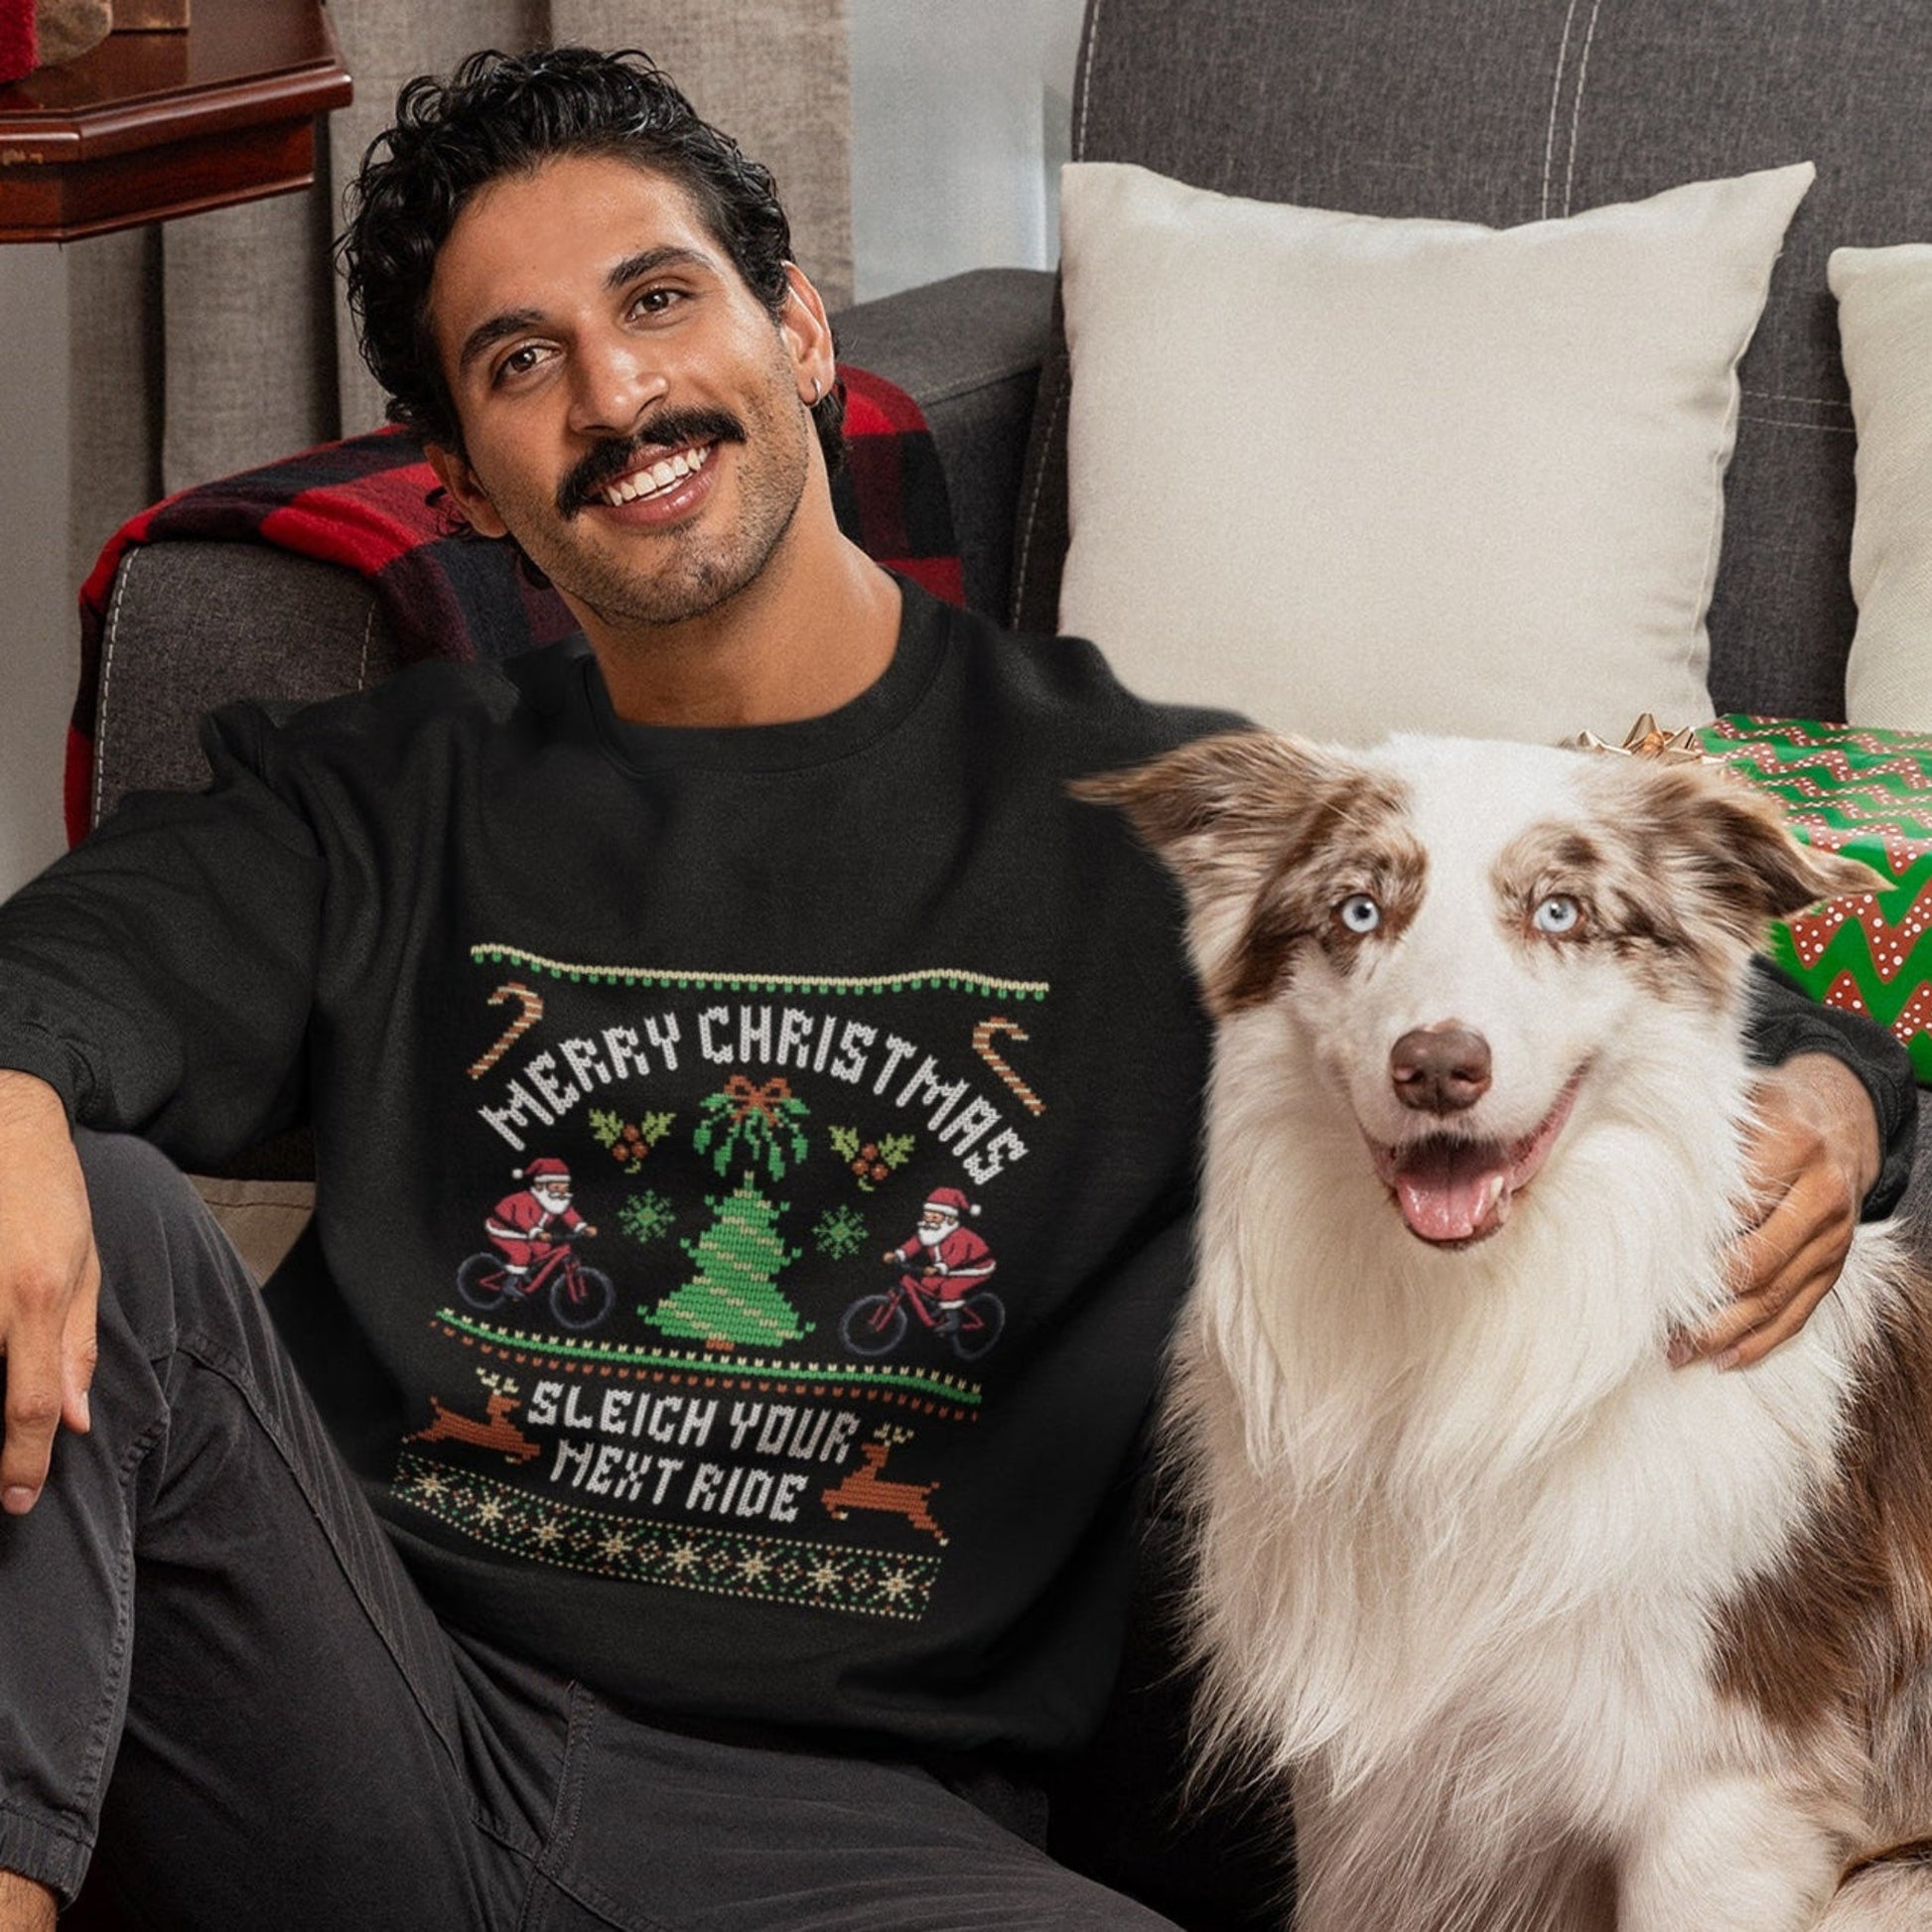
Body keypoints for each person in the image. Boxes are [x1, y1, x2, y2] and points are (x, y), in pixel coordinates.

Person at [0, 46, 1911, 1932]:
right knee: (95, 1215)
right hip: (366, 1715)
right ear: (462, 487)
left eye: (660, 300)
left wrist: (1831, 1096)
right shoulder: (373, 800)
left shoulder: (1132, 824)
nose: (619, 390)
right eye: (523, 361)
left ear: (803, 330)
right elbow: (67, 974)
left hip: (849, 1825)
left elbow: (1523, 971)